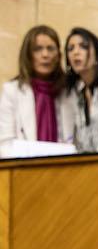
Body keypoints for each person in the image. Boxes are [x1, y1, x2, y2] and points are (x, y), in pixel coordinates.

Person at [0, 24, 76, 153]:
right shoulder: (12, 91)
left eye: (50, 48)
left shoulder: (69, 92)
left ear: (58, 55)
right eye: (38, 49)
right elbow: (5, 144)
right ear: (28, 55)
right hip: (24, 168)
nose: (45, 55)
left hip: (65, 168)